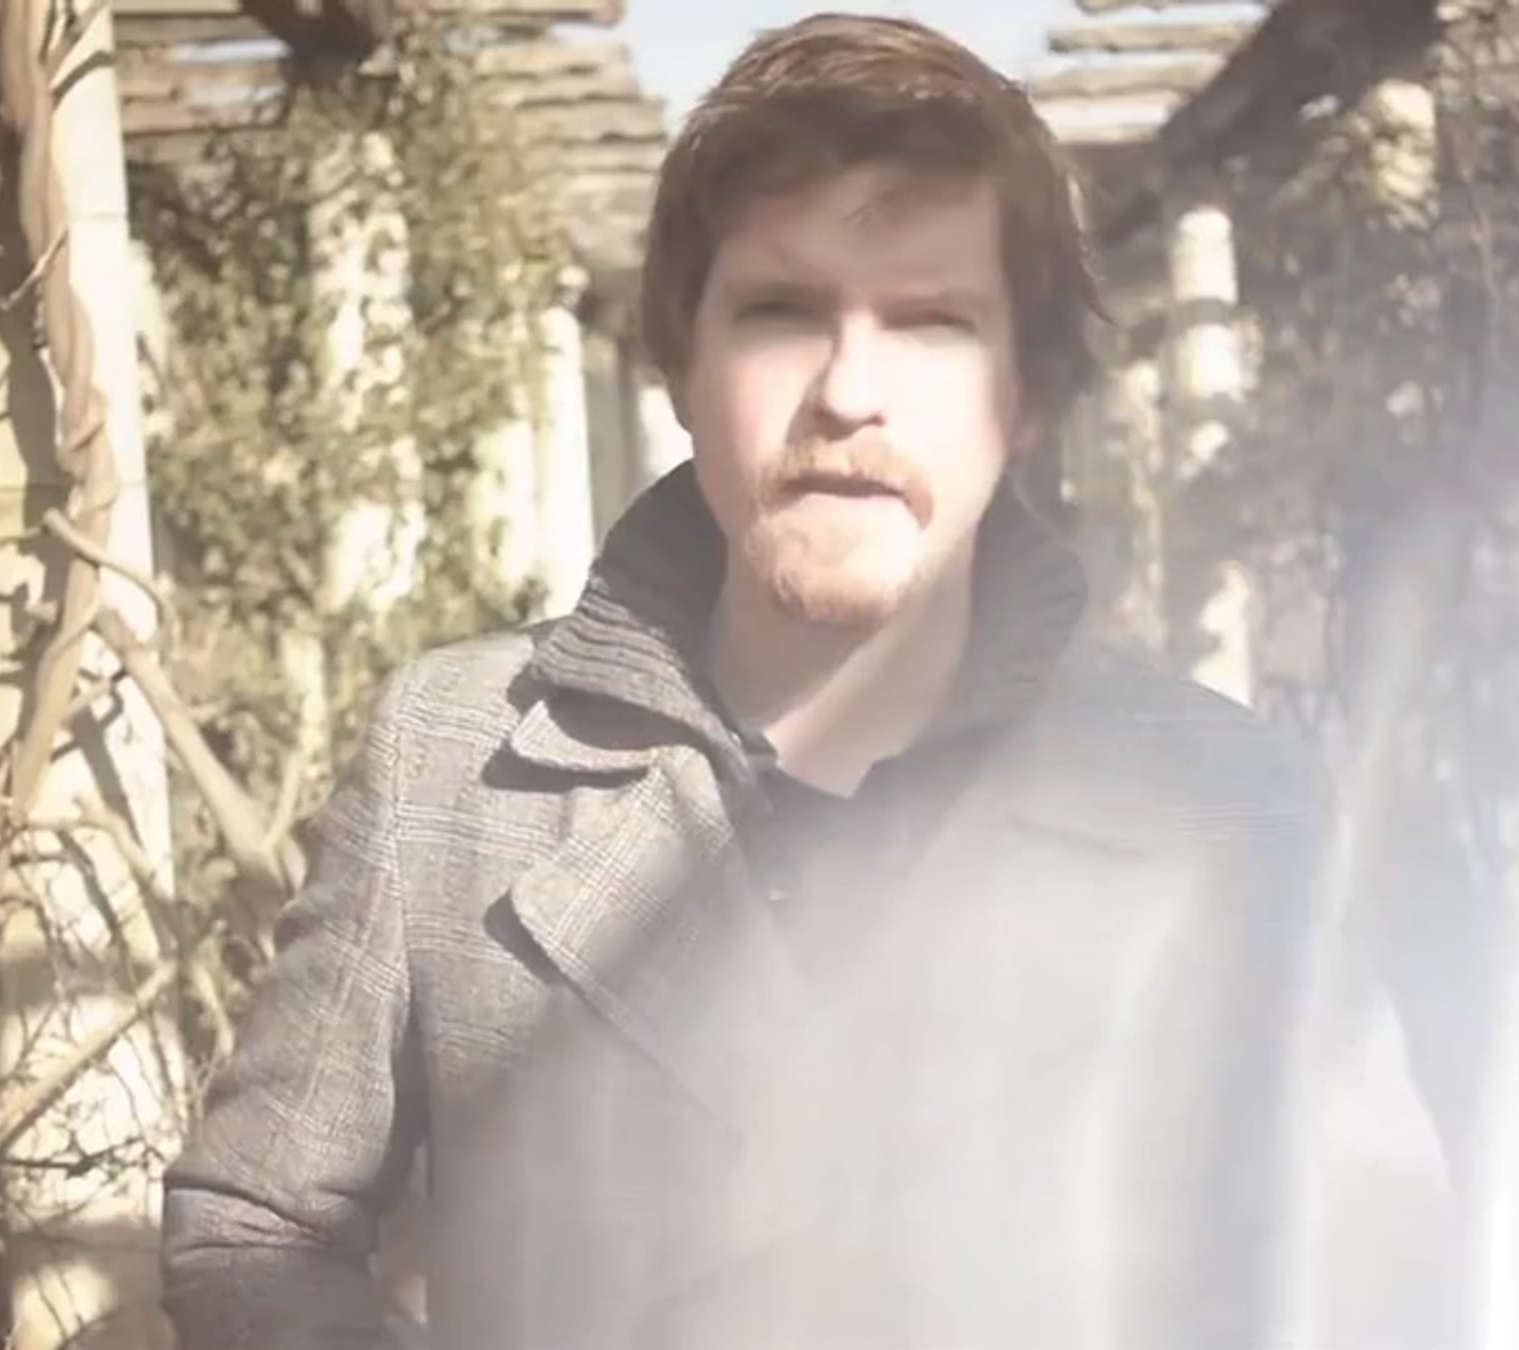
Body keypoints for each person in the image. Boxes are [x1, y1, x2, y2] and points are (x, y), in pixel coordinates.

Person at [162, 15, 1332, 1349]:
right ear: (683, 364)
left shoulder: (1231, 804)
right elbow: (252, 1225)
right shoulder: (452, 759)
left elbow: (1349, 1269)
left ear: (1030, 397)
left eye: (933, 322)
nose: (849, 391)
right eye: (783, 312)